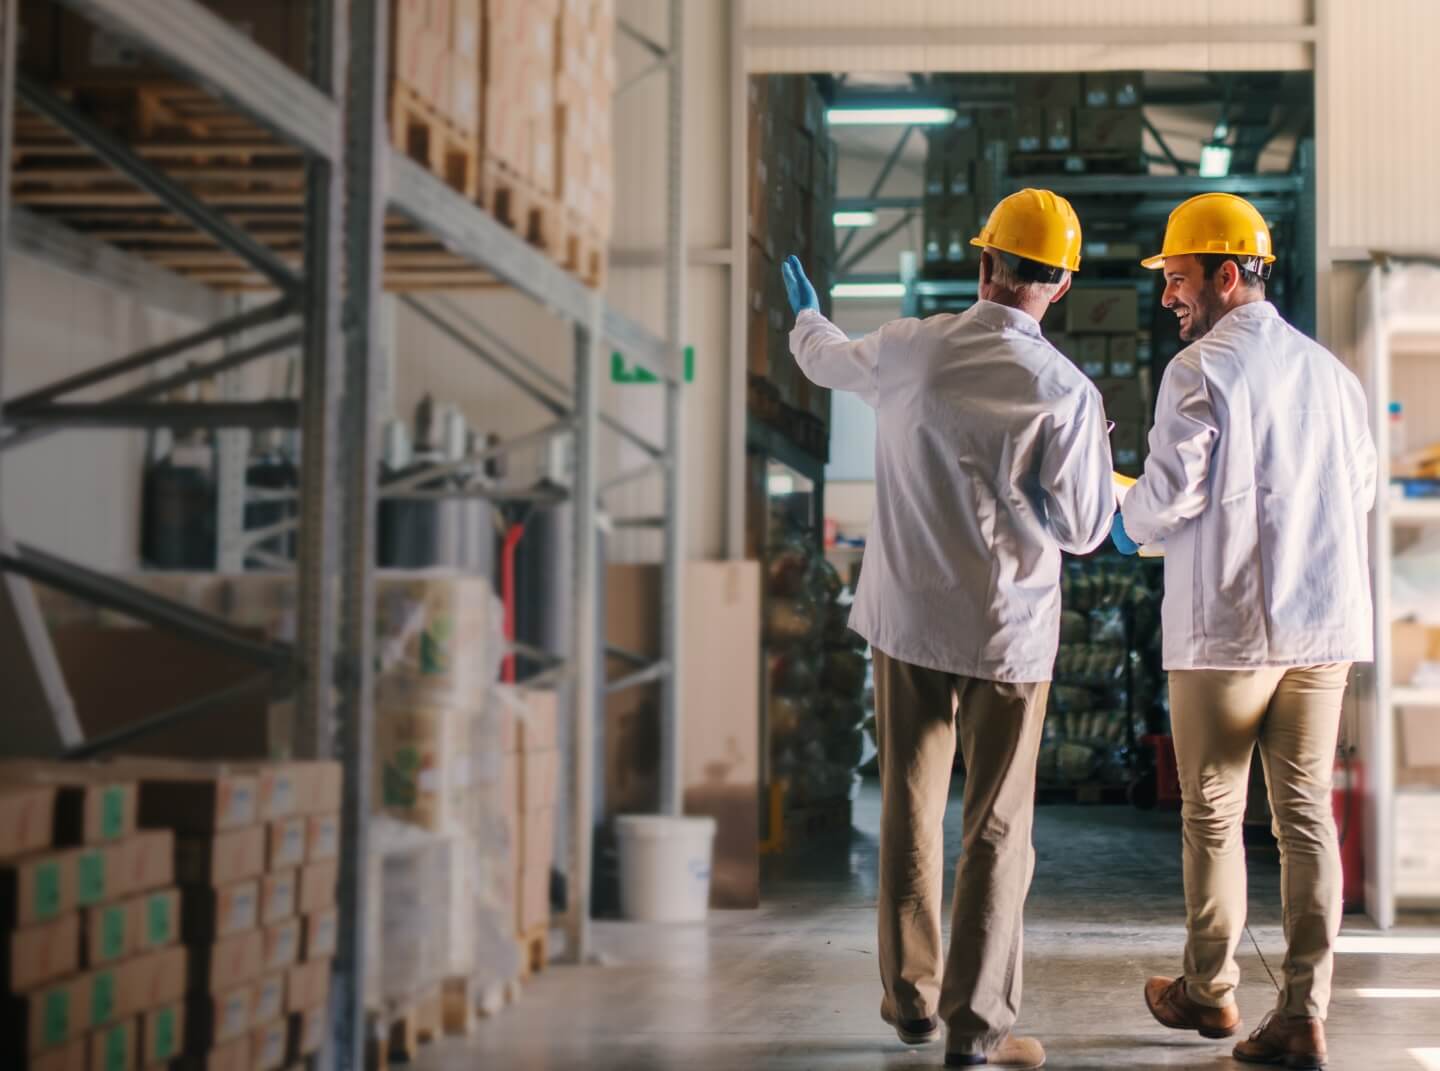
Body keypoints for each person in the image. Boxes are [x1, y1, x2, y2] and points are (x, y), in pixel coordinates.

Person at [784, 188, 1115, 1070]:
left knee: (908, 810)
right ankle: (977, 1030)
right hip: (1009, 635)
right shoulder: (1066, 393)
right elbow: (1084, 530)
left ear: (984, 265)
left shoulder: (909, 349)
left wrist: (807, 315)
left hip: (906, 623)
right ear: (1062, 285)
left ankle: (911, 1003)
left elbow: (821, 361)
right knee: (997, 829)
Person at [1115, 192, 1376, 1070]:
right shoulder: (1336, 379)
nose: (1168, 298)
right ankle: (1303, 1012)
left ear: (1229, 275)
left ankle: (1210, 989)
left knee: (1215, 813)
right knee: (1306, 819)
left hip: (1228, 630)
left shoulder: (1200, 371)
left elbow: (1168, 499)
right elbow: (1362, 495)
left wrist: (1125, 508)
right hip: (1325, 625)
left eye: (1179, 278)